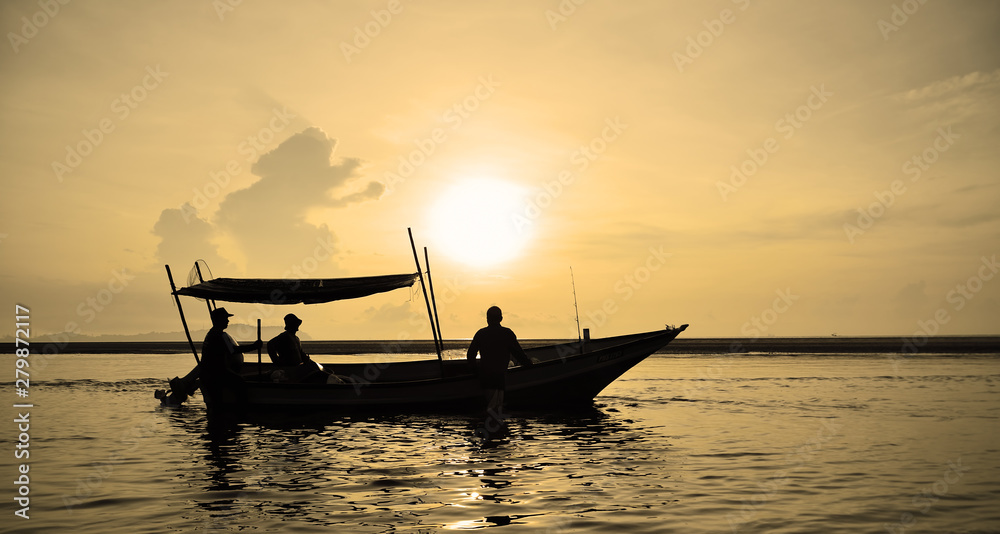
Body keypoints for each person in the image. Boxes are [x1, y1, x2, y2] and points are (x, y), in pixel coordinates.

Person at [466, 306, 534, 436]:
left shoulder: (480, 334)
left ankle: (489, 433)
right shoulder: (507, 333)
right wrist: (529, 366)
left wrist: (475, 372)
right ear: (501, 318)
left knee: (490, 411)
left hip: (485, 377)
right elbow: (519, 354)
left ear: (487, 319)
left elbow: (471, 356)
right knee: (496, 411)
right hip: (499, 378)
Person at [199, 307, 262, 403]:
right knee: (240, 382)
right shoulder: (220, 335)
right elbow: (234, 350)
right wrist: (254, 346)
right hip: (216, 373)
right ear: (218, 319)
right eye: (225, 318)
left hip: (209, 373)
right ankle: (241, 408)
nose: (228, 321)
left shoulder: (210, 334)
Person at [267, 313, 346, 383]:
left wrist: (311, 362)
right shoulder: (284, 336)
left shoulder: (296, 339)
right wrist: (277, 362)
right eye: (295, 323)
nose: (298, 326)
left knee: (321, 372)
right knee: (317, 375)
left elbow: (302, 355)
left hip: (299, 368)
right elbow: (270, 345)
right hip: (291, 370)